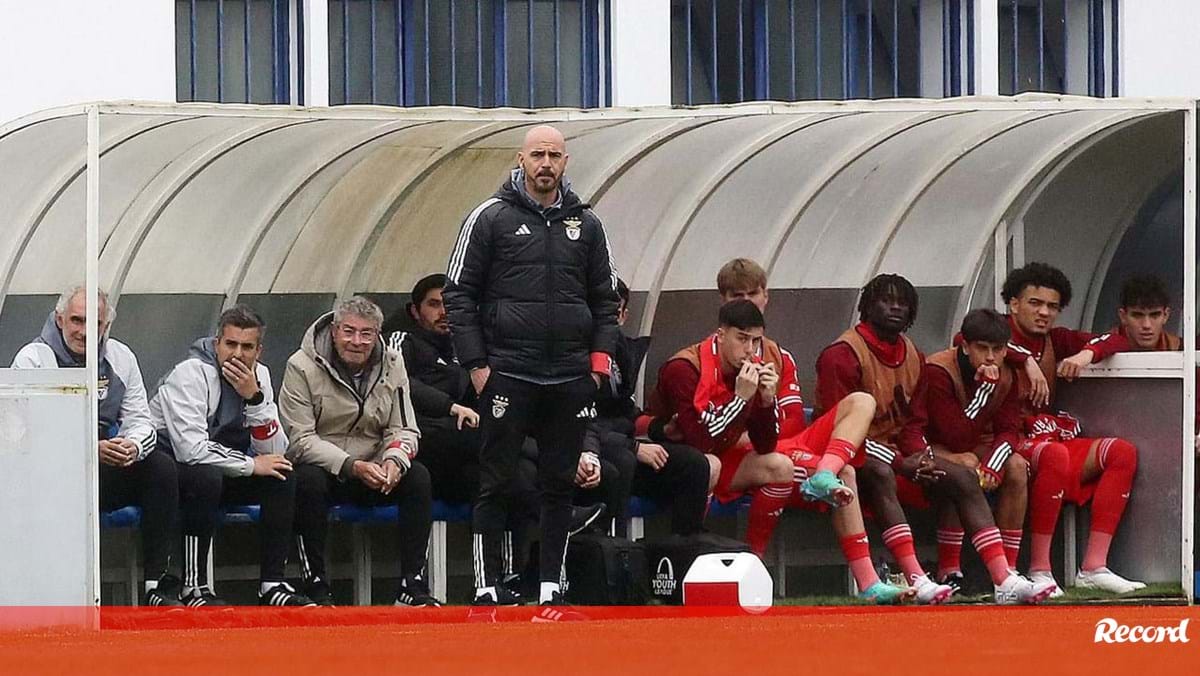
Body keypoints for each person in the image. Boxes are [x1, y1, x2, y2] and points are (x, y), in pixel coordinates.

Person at [443, 124, 620, 608]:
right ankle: (486, 583)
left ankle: (549, 584)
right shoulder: (489, 217)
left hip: (568, 374)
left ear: (566, 163)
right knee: (496, 480)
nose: (546, 163)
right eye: (538, 154)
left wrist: (598, 367)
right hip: (509, 370)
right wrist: (478, 364)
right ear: (520, 159)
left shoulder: (587, 223)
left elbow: (606, 300)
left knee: (559, 483)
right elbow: (458, 293)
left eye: (555, 155)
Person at [647, 299, 913, 604]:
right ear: (720, 335)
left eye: (755, 341)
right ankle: (701, 567)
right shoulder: (685, 367)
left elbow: (768, 442)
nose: (750, 350)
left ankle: (861, 579)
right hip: (681, 464)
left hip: (746, 453)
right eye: (741, 339)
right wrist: (740, 400)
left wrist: (765, 401)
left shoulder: (771, 360)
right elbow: (698, 442)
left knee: (853, 423)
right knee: (713, 464)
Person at [13, 286, 180, 606]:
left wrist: (132, 447)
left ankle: (156, 585)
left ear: (106, 326)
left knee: (161, 467)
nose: (85, 331)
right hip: (50, 476)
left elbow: (142, 420)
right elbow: (24, 436)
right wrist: (88, 449)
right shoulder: (33, 359)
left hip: (104, 470)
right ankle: (54, 591)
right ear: (60, 319)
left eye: (96, 323)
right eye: (77, 320)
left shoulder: (121, 357)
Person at [279, 297, 437, 607]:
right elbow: (300, 439)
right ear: (335, 331)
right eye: (349, 332)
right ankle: (315, 583)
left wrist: (394, 460)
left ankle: (412, 582)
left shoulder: (393, 362)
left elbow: (405, 427)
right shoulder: (300, 365)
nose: (357, 341)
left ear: (378, 334)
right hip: (326, 468)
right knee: (307, 481)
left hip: (376, 469)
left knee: (418, 476)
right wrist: (351, 466)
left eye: (367, 333)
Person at [997, 262, 1144, 594]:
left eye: (1052, 306)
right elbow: (966, 336)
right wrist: (1024, 360)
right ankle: (1040, 570)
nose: (1044, 313)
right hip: (1001, 441)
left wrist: (1086, 355)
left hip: (1046, 435)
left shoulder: (1056, 339)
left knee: (1121, 452)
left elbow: (1116, 341)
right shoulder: (993, 331)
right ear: (1014, 304)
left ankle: (1093, 567)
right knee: (1054, 455)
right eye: (1035, 303)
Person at [151, 305, 313, 606]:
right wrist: (251, 465)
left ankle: (272, 584)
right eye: (231, 344)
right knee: (206, 476)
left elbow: (276, 450)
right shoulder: (190, 373)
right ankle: (193, 585)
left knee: (283, 473)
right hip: (175, 470)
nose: (238, 354)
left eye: (247, 347)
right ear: (217, 344)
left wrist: (255, 399)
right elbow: (191, 450)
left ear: (259, 350)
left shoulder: (259, 376)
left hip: (229, 466)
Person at [904, 309, 1059, 604]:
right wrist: (984, 391)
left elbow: (1009, 430)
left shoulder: (1008, 374)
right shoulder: (940, 369)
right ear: (965, 346)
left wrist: (994, 466)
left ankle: (1009, 573)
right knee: (964, 462)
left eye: (997, 349)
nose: (990, 357)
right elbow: (954, 436)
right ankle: (950, 570)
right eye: (982, 348)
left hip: (972, 444)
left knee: (1015, 465)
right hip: (926, 446)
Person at [581, 278, 715, 538]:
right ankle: (615, 558)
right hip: (590, 454)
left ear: (623, 316)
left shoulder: (621, 354)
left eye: (613, 314)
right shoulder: (572, 354)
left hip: (623, 445)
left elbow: (626, 412)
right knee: (622, 462)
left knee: (694, 464)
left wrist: (660, 428)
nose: (605, 322)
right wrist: (633, 446)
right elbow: (577, 423)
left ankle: (682, 554)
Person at [1111, 274, 1198, 454]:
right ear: (1123, 316)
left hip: (1174, 450)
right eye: (1137, 315)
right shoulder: (1100, 349)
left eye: (1154, 315)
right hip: (1120, 448)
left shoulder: (1185, 352)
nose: (1147, 325)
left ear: (1166, 315)